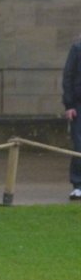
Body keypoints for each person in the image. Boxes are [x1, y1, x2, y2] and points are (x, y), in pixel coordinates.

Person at [62, 36, 81, 200]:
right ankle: (78, 184)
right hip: (79, 105)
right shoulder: (77, 48)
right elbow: (68, 76)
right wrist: (69, 105)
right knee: (79, 145)